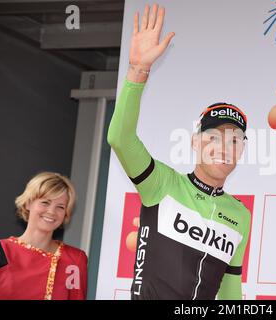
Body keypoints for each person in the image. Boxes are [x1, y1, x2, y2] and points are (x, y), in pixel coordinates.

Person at [108, 3, 251, 300]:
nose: (225, 147)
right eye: (215, 137)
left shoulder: (240, 215)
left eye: (235, 140)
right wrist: (138, 70)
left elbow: (230, 289)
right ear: (195, 142)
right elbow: (120, 138)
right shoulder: (162, 184)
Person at [0, 172, 88, 300]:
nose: (52, 212)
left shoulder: (75, 259)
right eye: (45, 203)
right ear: (28, 203)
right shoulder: (2, 249)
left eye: (60, 207)